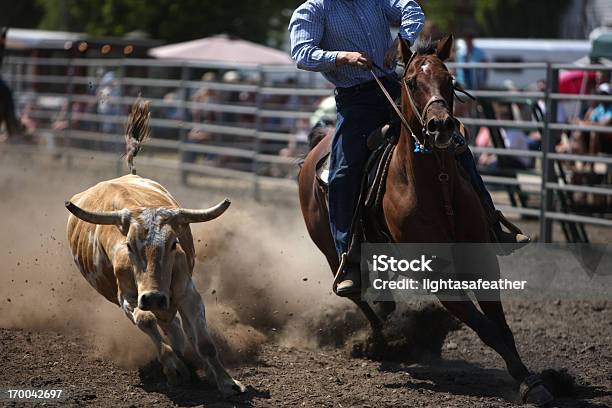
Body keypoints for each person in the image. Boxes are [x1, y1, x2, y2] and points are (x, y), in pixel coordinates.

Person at [289, 0, 528, 296]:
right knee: (342, 174)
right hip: (356, 101)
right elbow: (302, 53)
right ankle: (349, 257)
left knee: (455, 144)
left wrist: (400, 41)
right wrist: (343, 57)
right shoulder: (313, 10)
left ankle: (492, 223)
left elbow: (411, 9)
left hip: (396, 89)